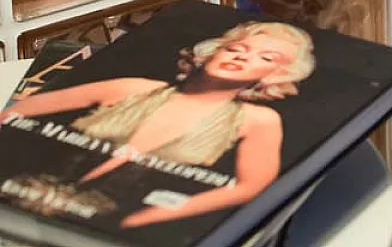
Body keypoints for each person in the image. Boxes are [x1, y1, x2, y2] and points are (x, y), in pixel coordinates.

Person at [0, 21, 314, 229]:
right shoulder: (135, 88)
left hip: (116, 222)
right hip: (21, 195)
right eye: (235, 48)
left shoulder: (258, 120)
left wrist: (149, 216)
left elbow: (252, 187)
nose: (242, 58)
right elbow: (17, 111)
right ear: (211, 51)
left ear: (277, 76)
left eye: (267, 58)